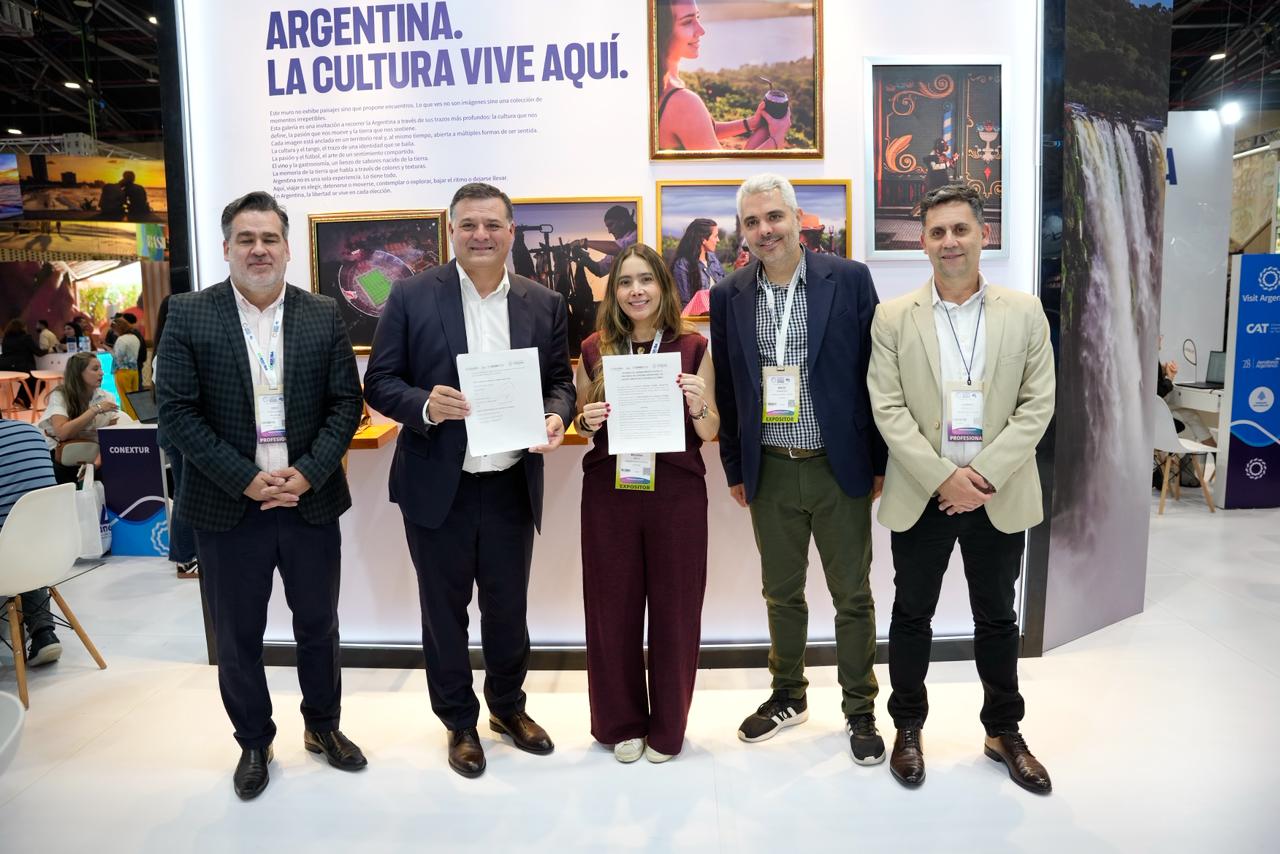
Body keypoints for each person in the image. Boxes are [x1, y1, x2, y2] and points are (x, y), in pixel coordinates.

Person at [155, 191, 366, 801]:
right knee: (237, 635)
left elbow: (345, 404)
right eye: (246, 239)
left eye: (269, 238)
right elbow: (177, 413)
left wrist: (309, 472)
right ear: (226, 248)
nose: (258, 249)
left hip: (309, 503)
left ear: (287, 248)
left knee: (319, 626)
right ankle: (254, 740)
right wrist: (243, 478)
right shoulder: (189, 313)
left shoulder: (322, 312)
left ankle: (323, 726)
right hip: (228, 507)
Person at [364, 182, 576, 779]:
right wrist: (424, 405)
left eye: (492, 225)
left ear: (510, 232)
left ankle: (507, 708)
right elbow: (379, 381)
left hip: (510, 481)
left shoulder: (543, 301)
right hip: (438, 485)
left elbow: (560, 381)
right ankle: (459, 722)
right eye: (468, 225)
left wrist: (556, 414)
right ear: (451, 231)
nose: (481, 235)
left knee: (508, 609)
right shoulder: (410, 295)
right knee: (444, 613)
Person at [867, 184, 1055, 794]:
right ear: (922, 242)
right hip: (923, 494)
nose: (950, 241)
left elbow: (1037, 405)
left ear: (983, 235)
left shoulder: (1024, 312)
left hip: (998, 495)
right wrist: (943, 477)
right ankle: (908, 727)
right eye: (938, 232)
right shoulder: (894, 317)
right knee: (911, 616)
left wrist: (981, 478)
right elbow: (887, 408)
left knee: (998, 618)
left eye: (961, 229)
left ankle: (1003, 731)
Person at [709, 174, 888, 765]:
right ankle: (789, 694)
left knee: (852, 595)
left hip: (838, 466)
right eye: (752, 222)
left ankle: (860, 708)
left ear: (796, 218)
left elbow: (877, 375)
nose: (765, 230)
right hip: (771, 469)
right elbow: (730, 389)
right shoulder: (729, 293)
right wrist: (734, 465)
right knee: (781, 594)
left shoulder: (849, 278)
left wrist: (879, 461)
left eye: (774, 217)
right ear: (743, 231)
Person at [574, 243, 719, 764]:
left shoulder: (693, 346)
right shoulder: (595, 347)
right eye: (625, 282)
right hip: (610, 491)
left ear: (663, 285)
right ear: (614, 291)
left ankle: (668, 727)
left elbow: (711, 429)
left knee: (676, 609)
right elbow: (582, 421)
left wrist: (697, 403)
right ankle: (621, 723)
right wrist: (586, 419)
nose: (636, 291)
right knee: (610, 609)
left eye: (645, 280)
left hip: (677, 491)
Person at [655, 0, 790, 151]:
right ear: (661, 30)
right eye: (687, 22)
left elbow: (701, 131)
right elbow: (722, 168)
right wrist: (777, 138)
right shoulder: (683, 102)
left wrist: (751, 123)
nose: (701, 30)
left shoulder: (660, 83)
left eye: (697, 18)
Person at [0, 414, 62, 667]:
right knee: (21, 540)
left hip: (10, 559)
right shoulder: (30, 431)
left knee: (12, 544)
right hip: (53, 548)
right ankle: (43, 633)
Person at [152, 294, 199, 578]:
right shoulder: (167, 355)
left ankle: (189, 554)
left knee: (186, 492)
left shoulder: (168, 351)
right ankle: (185, 557)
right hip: (177, 433)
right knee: (184, 493)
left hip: (175, 432)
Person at [37, 352, 120, 483]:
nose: (102, 373)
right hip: (61, 457)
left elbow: (110, 439)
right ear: (78, 373)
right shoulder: (60, 395)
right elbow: (62, 433)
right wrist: (95, 410)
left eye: (101, 368)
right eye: (95, 369)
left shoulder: (108, 397)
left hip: (94, 456)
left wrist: (95, 464)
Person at [670, 217, 725, 307]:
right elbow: (685, 303)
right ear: (703, 239)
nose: (718, 240)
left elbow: (724, 286)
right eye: (715, 236)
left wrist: (737, 269)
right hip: (698, 315)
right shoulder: (682, 265)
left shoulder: (713, 258)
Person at [577, 205, 639, 277]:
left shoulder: (637, 235)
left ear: (623, 221)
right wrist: (585, 259)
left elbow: (618, 249)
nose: (609, 231)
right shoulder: (618, 245)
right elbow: (600, 270)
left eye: (611, 225)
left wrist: (583, 243)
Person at [0, 319, 45, 407]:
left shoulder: (6, 339)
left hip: (5, 368)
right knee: (39, 380)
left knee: (28, 380)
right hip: (20, 367)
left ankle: (21, 401)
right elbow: (39, 352)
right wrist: (50, 350)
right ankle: (21, 401)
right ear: (23, 327)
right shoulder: (26, 337)